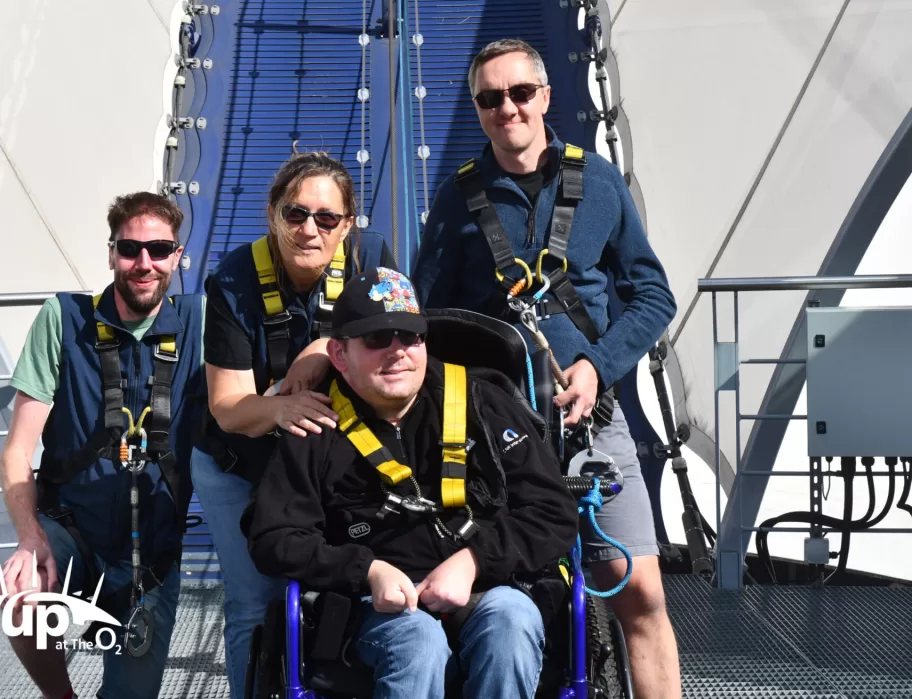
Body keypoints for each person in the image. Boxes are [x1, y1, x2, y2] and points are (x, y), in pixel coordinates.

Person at [410, 39, 681, 698]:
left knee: (639, 593)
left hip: (591, 419)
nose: (507, 108)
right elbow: (426, 319)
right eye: (490, 98)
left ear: (546, 97)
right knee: (514, 593)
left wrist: (596, 364)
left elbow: (653, 295)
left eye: (520, 93)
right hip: (491, 435)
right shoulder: (459, 199)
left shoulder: (600, 183)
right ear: (478, 110)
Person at [247, 268, 578, 699]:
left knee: (512, 622)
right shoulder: (316, 427)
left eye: (410, 335)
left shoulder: (484, 402)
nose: (397, 350)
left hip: (490, 588)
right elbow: (273, 536)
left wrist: (473, 562)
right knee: (418, 642)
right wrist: (367, 570)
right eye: (377, 338)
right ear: (340, 354)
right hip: (374, 609)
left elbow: (553, 512)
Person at [192, 151, 397, 696]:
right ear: (272, 214)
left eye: (327, 218)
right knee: (254, 606)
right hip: (238, 461)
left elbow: (403, 351)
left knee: (336, 596)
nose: (310, 229)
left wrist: (320, 351)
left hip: (327, 468)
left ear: (347, 225)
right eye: (296, 214)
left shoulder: (372, 260)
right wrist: (280, 406)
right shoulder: (234, 280)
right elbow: (228, 408)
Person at [0, 192, 206, 699]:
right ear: (111, 252)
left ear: (178, 256)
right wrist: (30, 538)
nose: (144, 263)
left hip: (151, 557)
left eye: (159, 249)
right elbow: (16, 452)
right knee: (21, 603)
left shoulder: (201, 323)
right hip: (72, 532)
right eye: (130, 248)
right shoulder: (64, 319)